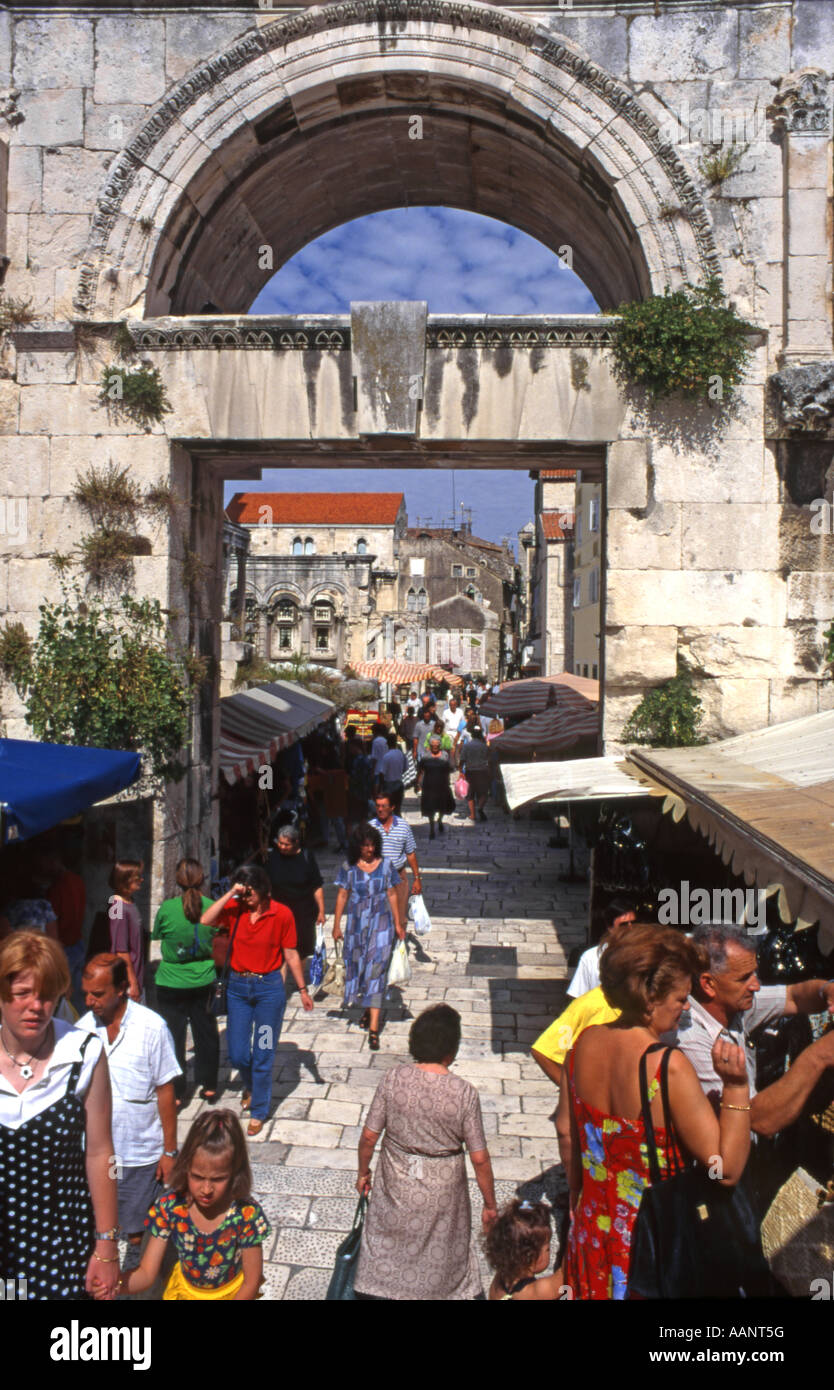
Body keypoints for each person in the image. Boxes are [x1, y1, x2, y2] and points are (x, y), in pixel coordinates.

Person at [563, 922, 752, 1300]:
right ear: (649, 998)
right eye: (681, 999)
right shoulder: (668, 1067)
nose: (685, 1009)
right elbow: (725, 1169)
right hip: (649, 1246)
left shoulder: (583, 1043)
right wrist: (736, 1086)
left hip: (593, 1235)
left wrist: (576, 1194)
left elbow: (569, 1133)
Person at [672, 922, 834, 1210]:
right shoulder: (691, 1041)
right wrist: (818, 1055)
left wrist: (825, 990)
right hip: (709, 1188)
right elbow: (757, 1120)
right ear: (708, 984)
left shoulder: (733, 1005)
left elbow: (794, 996)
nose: (756, 985)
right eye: (745, 978)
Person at [0, 932, 119, 1300]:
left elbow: (102, 1153)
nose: (36, 1006)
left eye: (47, 995)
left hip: (62, 1242)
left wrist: (107, 1245)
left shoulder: (83, 1053)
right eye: (22, 994)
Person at [354, 1004, 497, 1300]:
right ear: (451, 1050)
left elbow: (369, 1137)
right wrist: (490, 1203)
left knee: (388, 1233)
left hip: (397, 1176)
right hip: (443, 1187)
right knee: (442, 1243)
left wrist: (363, 1172)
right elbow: (479, 1157)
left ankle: (382, 1287)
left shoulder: (393, 1078)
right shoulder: (464, 1093)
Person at [201, 865, 314, 1136]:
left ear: (264, 891)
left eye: (250, 892)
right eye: (244, 892)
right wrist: (231, 893)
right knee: (239, 1052)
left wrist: (302, 989)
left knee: (263, 1053)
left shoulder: (282, 914)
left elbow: (290, 953)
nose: (247, 898)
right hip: (239, 989)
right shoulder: (236, 909)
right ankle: (251, 1084)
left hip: (268, 993)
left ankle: (259, 1110)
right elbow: (206, 920)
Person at [79, 953, 181, 1249]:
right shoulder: (82, 1030)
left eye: (97, 994)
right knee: (101, 1228)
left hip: (139, 1154)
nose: (89, 1002)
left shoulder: (152, 1028)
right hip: (98, 1158)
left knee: (138, 1233)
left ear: (121, 988)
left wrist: (170, 1152)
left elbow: (165, 1091)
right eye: (86, 993)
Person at [119, 1110, 271, 1300]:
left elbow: (251, 1282)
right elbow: (147, 1274)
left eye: (218, 1179)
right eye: (198, 1177)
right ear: (185, 1167)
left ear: (235, 1173)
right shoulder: (170, 1207)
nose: (206, 1189)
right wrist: (113, 1284)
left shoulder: (246, 1214)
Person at [152, 858, 220, 1107]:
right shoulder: (212, 907)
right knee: (206, 1033)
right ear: (202, 880)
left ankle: (178, 1092)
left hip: (171, 981)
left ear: (176, 881)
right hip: (203, 979)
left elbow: (158, 935)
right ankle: (210, 1085)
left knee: (173, 1037)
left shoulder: (167, 909)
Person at [332, 823, 404, 1051]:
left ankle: (374, 1028)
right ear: (358, 847)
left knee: (376, 969)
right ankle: (367, 1009)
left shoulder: (387, 866)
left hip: (381, 923)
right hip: (356, 924)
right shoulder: (349, 867)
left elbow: (392, 893)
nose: (370, 849)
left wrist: (398, 922)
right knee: (361, 967)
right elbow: (342, 895)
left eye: (373, 845)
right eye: (365, 846)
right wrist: (336, 925)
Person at [485, 1199, 569, 1301]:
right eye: (547, 1249)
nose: (549, 1251)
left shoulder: (500, 1278)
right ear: (531, 1257)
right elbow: (564, 1274)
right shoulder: (538, 1290)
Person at [265, 824, 325, 964]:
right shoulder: (273, 857)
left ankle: (299, 980)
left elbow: (316, 885)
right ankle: (282, 983)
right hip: (279, 910)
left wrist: (321, 910)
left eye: (286, 844)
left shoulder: (306, 857)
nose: (282, 847)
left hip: (303, 912)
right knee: (280, 949)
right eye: (280, 843)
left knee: (301, 949)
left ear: (296, 842)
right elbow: (266, 883)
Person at [369, 791, 423, 932]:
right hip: (376, 876)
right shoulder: (370, 828)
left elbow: (410, 853)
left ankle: (398, 944)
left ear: (392, 807)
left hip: (398, 877)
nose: (380, 809)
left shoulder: (403, 827)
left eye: (384, 806)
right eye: (378, 806)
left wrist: (417, 878)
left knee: (400, 915)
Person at [567, 897, 638, 998]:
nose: (631, 929)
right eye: (624, 925)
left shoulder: (646, 955)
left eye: (634, 924)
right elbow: (577, 996)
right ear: (610, 928)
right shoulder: (590, 957)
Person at [108, 859, 145, 1003]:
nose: (141, 880)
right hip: (128, 979)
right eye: (137, 877)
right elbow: (121, 949)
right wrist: (132, 982)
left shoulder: (129, 901)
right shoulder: (117, 906)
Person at [419, 735, 454, 839]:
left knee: (442, 806)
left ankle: (440, 820)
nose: (435, 746)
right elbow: (421, 771)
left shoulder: (445, 755)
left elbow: (449, 769)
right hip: (429, 786)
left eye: (437, 745)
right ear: (430, 745)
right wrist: (418, 784)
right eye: (433, 745)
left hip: (442, 785)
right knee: (430, 808)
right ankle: (431, 828)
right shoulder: (425, 757)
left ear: (439, 745)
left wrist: (448, 783)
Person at [460, 725, 491, 822]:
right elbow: (488, 759)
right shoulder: (484, 746)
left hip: (470, 771)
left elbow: (462, 760)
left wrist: (461, 771)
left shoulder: (467, 746)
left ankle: (472, 815)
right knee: (483, 793)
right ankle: (480, 808)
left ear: (472, 735)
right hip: (482, 771)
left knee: (470, 794)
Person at [380, 730, 407, 813]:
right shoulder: (401, 754)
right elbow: (405, 768)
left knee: (388, 810)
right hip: (399, 784)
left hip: (388, 786)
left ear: (387, 743)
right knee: (397, 809)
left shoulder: (386, 756)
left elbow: (382, 773)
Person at [370, 722, 389, 791]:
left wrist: (372, 771)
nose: (372, 734)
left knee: (376, 788)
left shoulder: (376, 741)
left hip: (377, 769)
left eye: (372, 732)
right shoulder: (385, 740)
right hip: (385, 769)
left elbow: (374, 758)